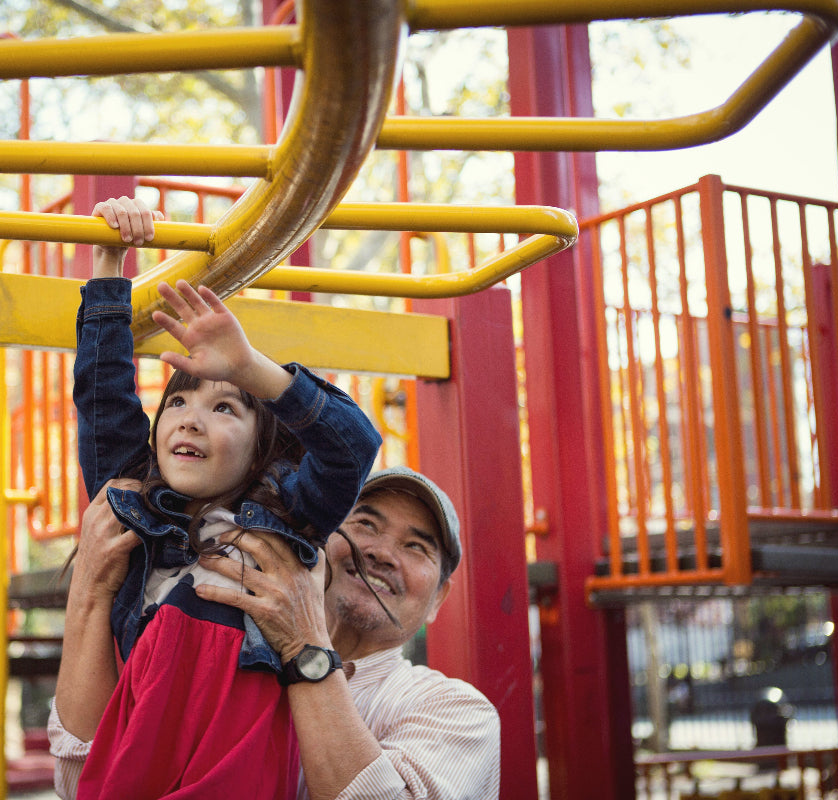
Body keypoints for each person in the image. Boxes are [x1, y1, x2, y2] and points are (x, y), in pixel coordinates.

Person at [57, 195, 383, 800]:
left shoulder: (292, 514)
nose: (188, 420)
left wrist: (255, 370)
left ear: (263, 447)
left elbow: (352, 447)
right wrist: (109, 266)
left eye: (224, 406)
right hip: (144, 760)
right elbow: (103, 401)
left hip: (240, 766)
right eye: (176, 403)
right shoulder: (136, 512)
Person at [51, 464, 502, 800]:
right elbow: (82, 782)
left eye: (416, 546)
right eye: (365, 523)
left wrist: (302, 645)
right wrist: (90, 588)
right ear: (317, 540)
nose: (380, 552)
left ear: (440, 597)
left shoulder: (457, 711)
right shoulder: (219, 653)